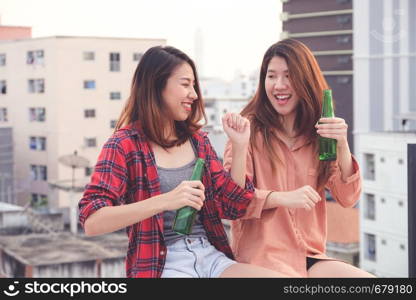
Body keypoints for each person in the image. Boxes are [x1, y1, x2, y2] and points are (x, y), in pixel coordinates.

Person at [78, 45, 280, 278]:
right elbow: (92, 221)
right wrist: (165, 201)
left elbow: (234, 205)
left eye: (194, 85)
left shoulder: (199, 141)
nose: (194, 94)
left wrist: (239, 145)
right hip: (163, 264)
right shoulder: (123, 145)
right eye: (185, 84)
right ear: (157, 86)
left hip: (212, 257)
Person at [223, 39, 374, 277]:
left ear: (305, 81)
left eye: (289, 76)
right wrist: (282, 198)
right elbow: (232, 203)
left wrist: (342, 146)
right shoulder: (246, 130)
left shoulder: (319, 135)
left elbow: (347, 198)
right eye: (271, 76)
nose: (279, 85)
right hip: (261, 259)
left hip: (309, 256)